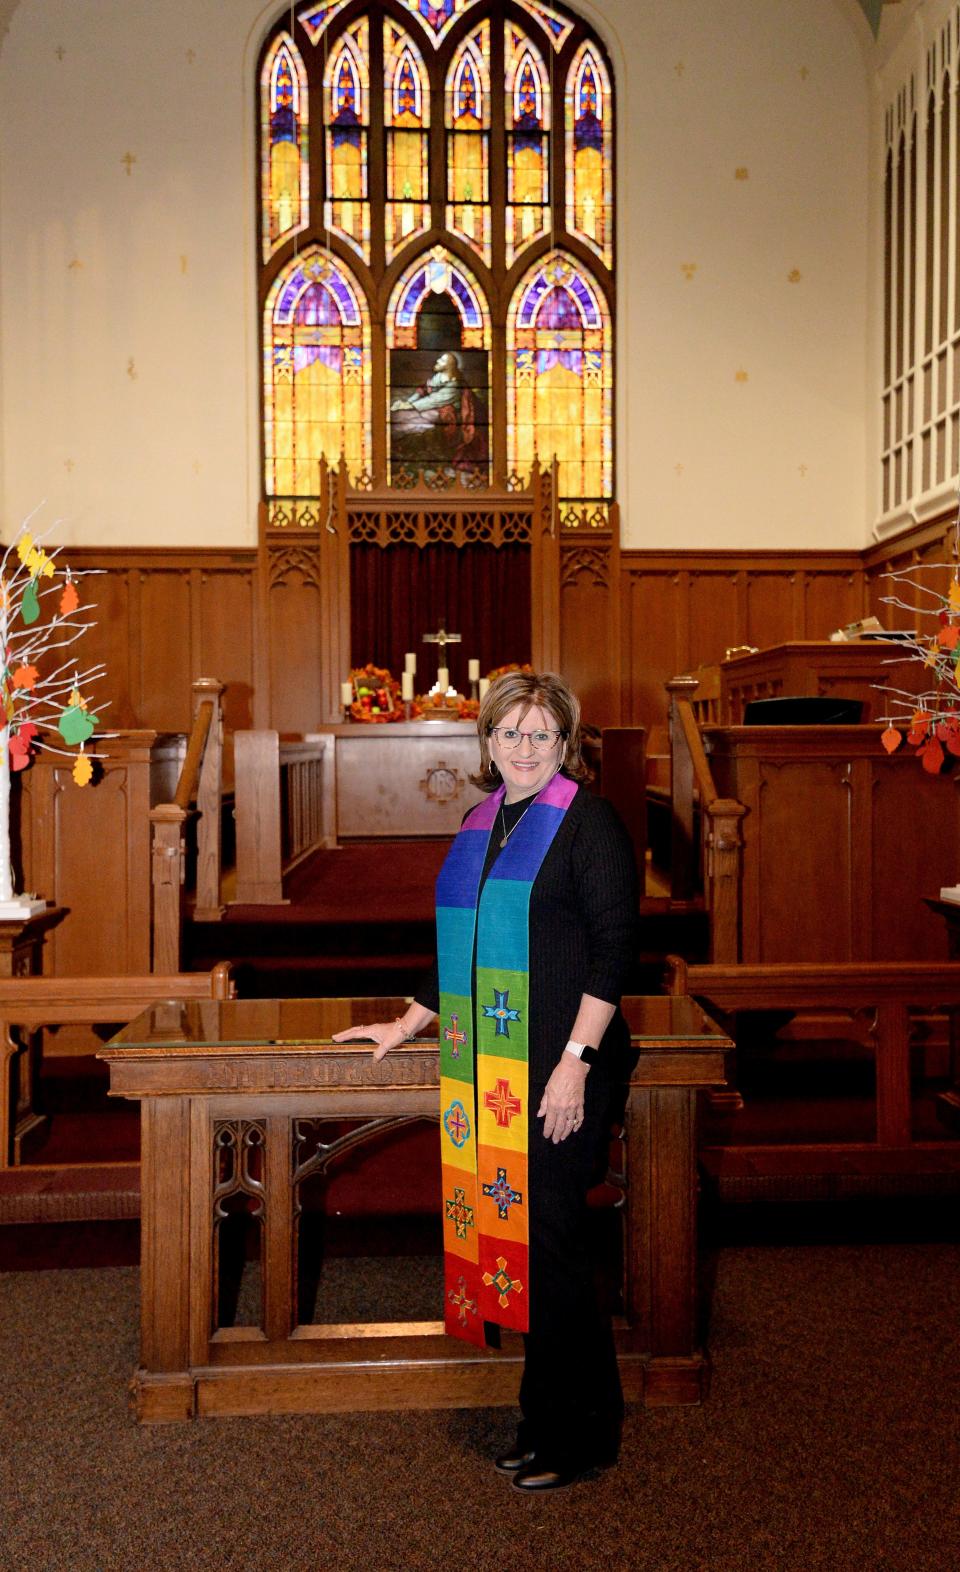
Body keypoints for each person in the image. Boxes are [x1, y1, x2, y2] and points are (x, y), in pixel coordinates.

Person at [333, 671, 638, 1492]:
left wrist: (575, 1068)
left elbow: (613, 955)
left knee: (558, 1250)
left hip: (563, 1068)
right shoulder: (483, 821)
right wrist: (405, 1023)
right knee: (528, 1248)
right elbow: (464, 952)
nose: (524, 748)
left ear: (566, 743)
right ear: (488, 741)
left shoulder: (588, 822)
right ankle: (543, 1421)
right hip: (498, 1066)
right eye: (510, 733)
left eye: (541, 734)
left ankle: (585, 1434)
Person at [390, 351, 486, 470]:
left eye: (441, 360)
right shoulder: (438, 377)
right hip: (437, 409)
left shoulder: (454, 385)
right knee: (407, 418)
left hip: (453, 418)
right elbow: (423, 391)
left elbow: (433, 400)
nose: (437, 361)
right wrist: (408, 402)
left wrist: (407, 406)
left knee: (417, 422)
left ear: (449, 366)